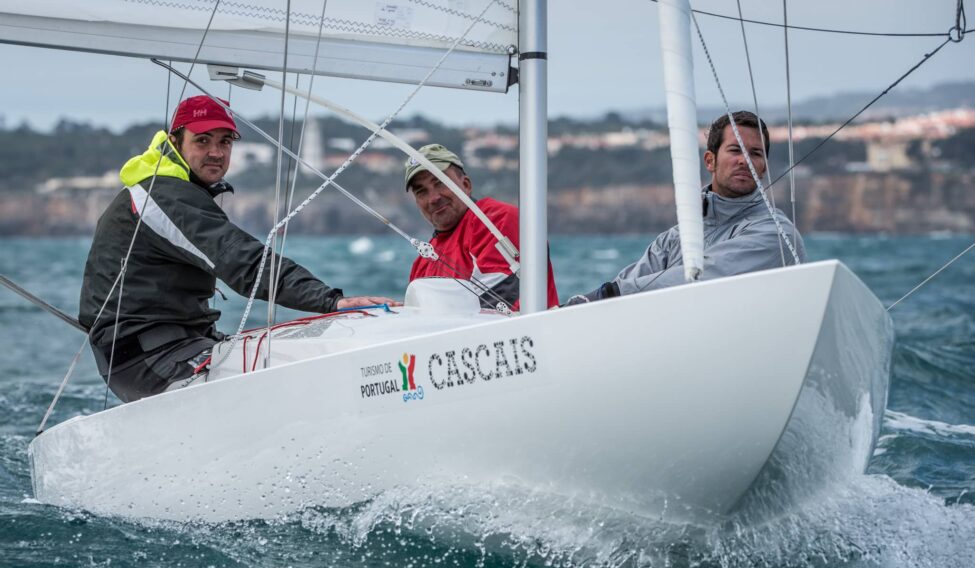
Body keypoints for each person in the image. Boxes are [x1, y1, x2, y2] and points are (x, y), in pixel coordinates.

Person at [79, 95, 396, 402]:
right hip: (149, 360)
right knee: (301, 368)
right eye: (202, 141)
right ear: (175, 143)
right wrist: (331, 301)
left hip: (168, 349)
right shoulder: (162, 195)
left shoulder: (169, 187)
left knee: (305, 347)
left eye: (225, 142)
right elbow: (241, 261)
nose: (216, 152)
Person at [564, 111, 806, 305]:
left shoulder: (777, 234)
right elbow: (622, 291)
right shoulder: (673, 239)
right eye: (735, 150)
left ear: (763, 167)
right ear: (710, 160)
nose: (744, 160)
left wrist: (607, 294)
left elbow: (704, 275)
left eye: (755, 153)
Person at [404, 144, 559, 310]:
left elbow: (499, 305)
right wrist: (386, 310)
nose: (433, 198)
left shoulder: (495, 220)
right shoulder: (421, 263)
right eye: (421, 192)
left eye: (441, 182)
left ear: (466, 184)